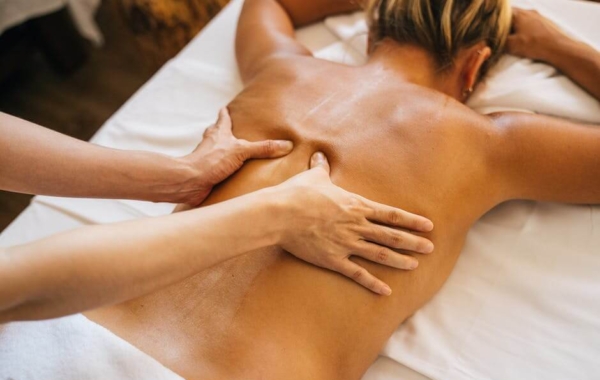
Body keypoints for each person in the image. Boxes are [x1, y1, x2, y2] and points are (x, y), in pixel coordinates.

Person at [55, 0, 600, 379]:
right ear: (477, 65)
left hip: (67, 338)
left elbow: (268, 5)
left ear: (370, 31)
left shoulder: (279, 69)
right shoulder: (492, 144)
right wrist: (558, 46)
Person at [0, 109, 436, 322]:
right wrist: (280, 213)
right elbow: (18, 284)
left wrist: (180, 177)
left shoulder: (282, 62)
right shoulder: (484, 137)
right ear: (475, 64)